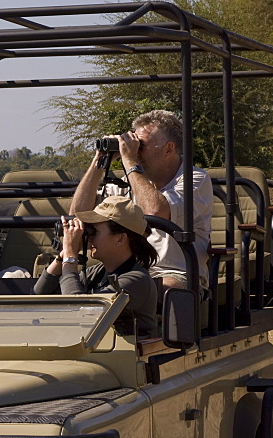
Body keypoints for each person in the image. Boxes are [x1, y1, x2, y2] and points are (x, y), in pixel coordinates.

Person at [71, 109, 212, 291]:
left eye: (141, 146)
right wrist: (99, 161)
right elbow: (78, 214)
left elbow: (156, 212)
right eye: (133, 145)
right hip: (128, 272)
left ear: (168, 149)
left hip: (175, 274)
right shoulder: (127, 183)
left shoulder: (195, 179)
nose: (135, 152)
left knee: (149, 288)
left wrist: (129, 161)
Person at [34, 197, 158, 337]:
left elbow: (82, 315)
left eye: (95, 231)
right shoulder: (97, 272)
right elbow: (38, 297)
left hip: (127, 357)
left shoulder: (136, 280)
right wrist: (62, 255)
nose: (89, 237)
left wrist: (70, 257)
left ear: (120, 239)